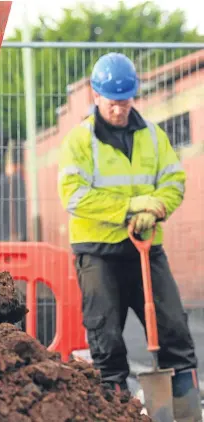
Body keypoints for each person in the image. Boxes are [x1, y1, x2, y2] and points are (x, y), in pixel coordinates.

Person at [58, 52, 202, 421]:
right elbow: (74, 195)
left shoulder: (153, 136)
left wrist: (155, 209)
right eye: (112, 102)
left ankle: (184, 413)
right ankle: (115, 410)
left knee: (174, 330)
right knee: (106, 340)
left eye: (125, 102)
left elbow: (174, 181)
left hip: (147, 249)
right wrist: (131, 206)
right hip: (98, 253)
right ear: (95, 95)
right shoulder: (79, 141)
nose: (120, 110)